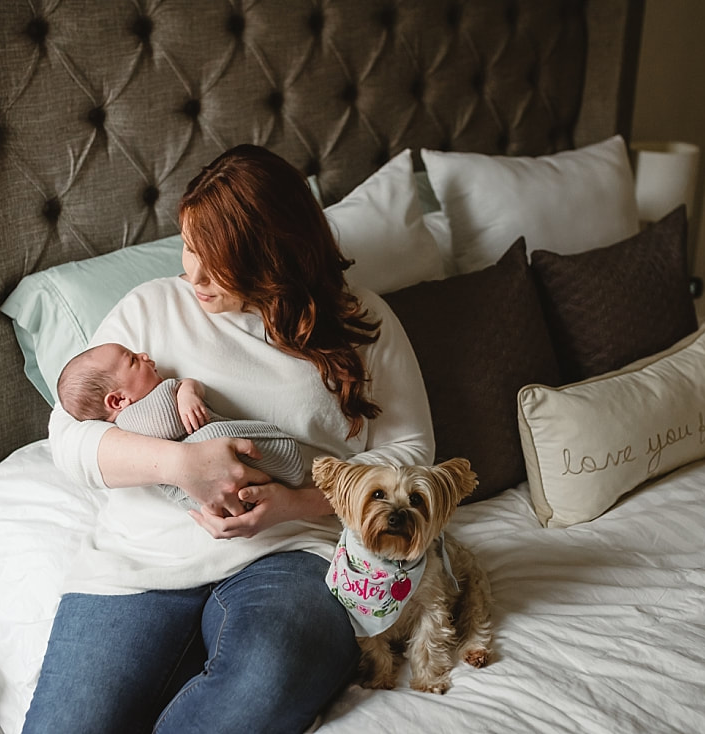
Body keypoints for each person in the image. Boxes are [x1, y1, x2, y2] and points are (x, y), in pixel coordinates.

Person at [22, 144, 434, 734]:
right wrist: (180, 464)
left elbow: (411, 457)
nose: (192, 274)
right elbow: (69, 439)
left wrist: (296, 504)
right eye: (189, 246)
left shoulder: (361, 323)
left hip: (294, 554)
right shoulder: (150, 310)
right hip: (145, 560)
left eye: (217, 261)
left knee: (261, 688)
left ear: (275, 257)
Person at [56, 342, 306, 509]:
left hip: (257, 473)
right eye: (133, 360)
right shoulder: (131, 422)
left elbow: (185, 387)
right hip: (229, 481)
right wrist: (179, 388)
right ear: (119, 400)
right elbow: (169, 420)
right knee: (211, 437)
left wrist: (186, 389)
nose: (144, 355)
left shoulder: (160, 400)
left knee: (211, 436)